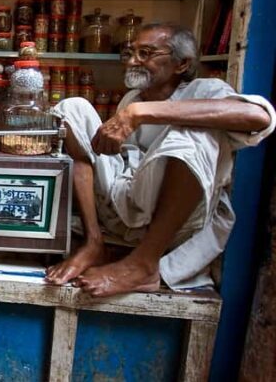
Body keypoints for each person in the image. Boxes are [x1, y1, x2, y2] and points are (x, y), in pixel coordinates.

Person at [44, 23, 274, 297]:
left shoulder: (204, 89)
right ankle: (94, 243)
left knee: (190, 134)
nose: (132, 62)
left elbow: (260, 117)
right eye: (129, 53)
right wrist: (133, 110)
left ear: (181, 63)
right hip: (124, 205)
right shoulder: (132, 98)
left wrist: (142, 112)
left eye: (146, 54)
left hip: (178, 221)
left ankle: (144, 263)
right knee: (73, 109)